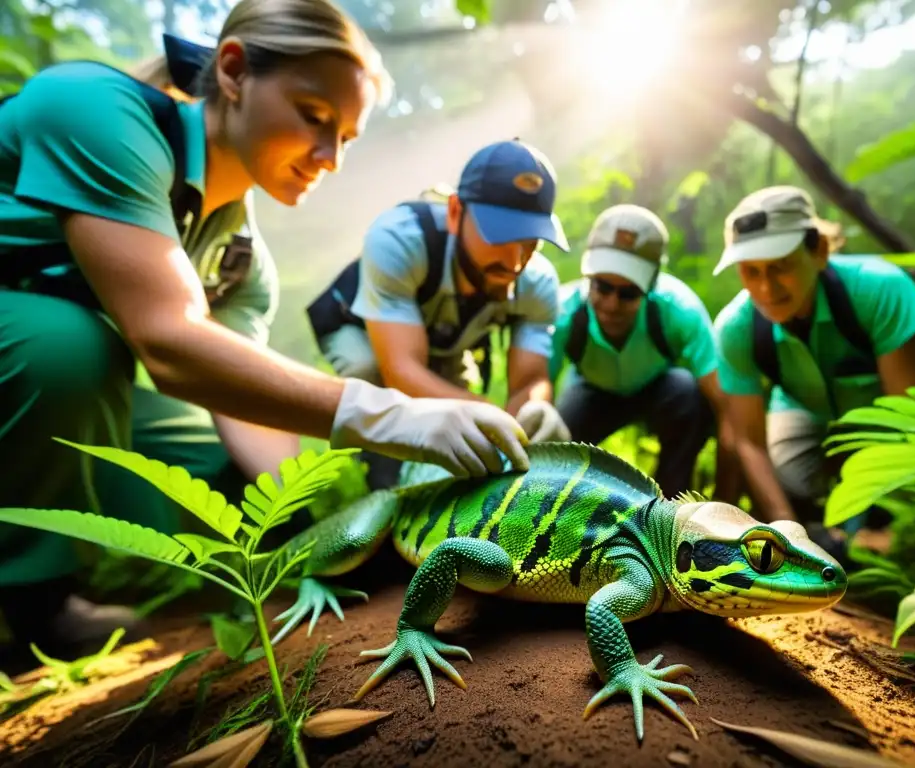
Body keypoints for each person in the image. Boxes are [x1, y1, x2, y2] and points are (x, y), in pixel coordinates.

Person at [0, 0, 531, 664]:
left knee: (219, 473)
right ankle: (35, 601)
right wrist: (389, 413)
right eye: (315, 118)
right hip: (38, 355)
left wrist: (312, 534)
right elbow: (166, 341)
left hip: (35, 382)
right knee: (71, 344)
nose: (329, 157)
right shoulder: (95, 111)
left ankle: (239, 593)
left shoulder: (242, 261)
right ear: (232, 71)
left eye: (347, 138)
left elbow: (233, 398)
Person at [307, 138, 573, 490]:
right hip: (359, 327)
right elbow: (401, 371)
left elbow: (530, 381)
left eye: (529, 241)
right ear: (454, 212)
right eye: (498, 235)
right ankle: (383, 478)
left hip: (444, 338)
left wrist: (531, 412)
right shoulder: (398, 239)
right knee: (371, 377)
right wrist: (489, 415)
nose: (513, 263)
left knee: (459, 430)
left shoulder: (538, 283)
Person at [712, 185, 915, 551]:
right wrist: (788, 537)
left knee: (905, 505)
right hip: (803, 404)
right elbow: (749, 443)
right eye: (750, 271)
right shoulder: (735, 327)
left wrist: (862, 523)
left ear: (818, 251)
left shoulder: (880, 289)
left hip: (893, 412)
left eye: (780, 266)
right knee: (790, 487)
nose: (765, 287)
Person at [547, 204, 740, 501]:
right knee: (556, 451)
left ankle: (670, 508)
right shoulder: (564, 313)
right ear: (589, 276)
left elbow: (727, 409)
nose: (611, 304)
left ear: (651, 284)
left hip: (660, 390)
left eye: (628, 294)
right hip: (590, 391)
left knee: (689, 393)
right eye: (602, 286)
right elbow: (537, 391)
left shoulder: (679, 310)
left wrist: (726, 505)